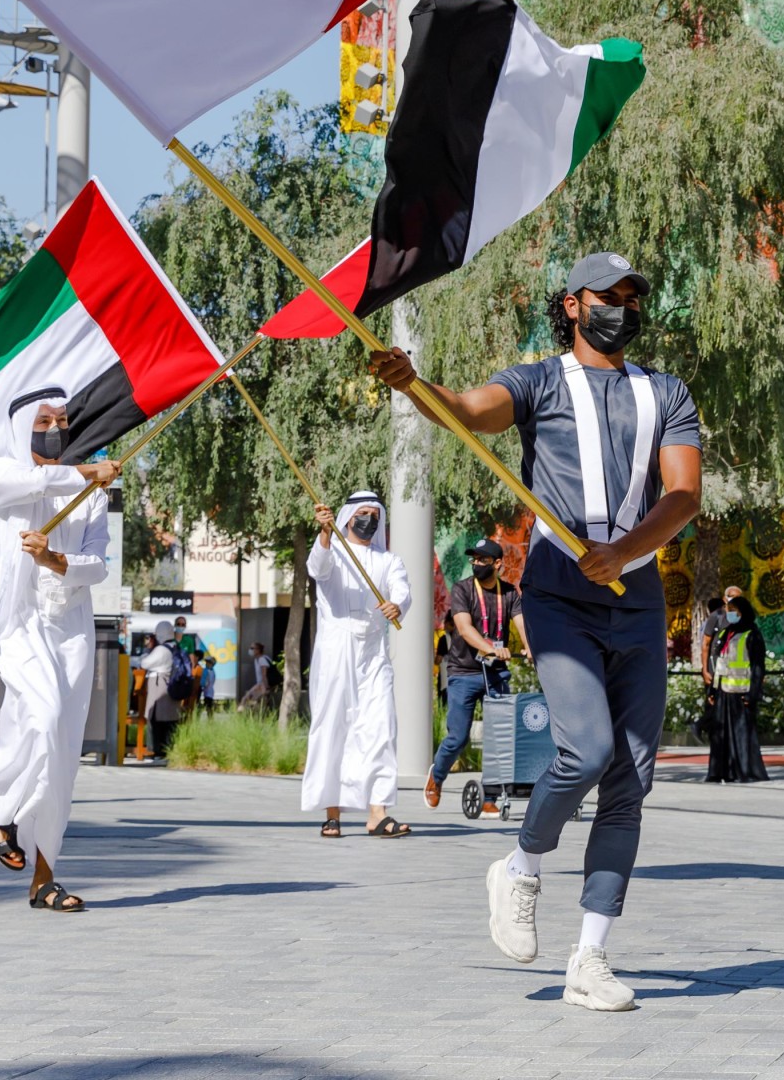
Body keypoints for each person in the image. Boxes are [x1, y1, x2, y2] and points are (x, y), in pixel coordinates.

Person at [371, 250, 702, 1013]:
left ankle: (590, 958)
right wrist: (415, 384)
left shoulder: (667, 393)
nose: (621, 306)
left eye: (631, 296)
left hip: (637, 589)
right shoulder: (540, 380)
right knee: (585, 751)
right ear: (573, 304)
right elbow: (467, 409)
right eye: (606, 295)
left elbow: (683, 494)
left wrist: (625, 551)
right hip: (558, 587)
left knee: (632, 778)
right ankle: (520, 866)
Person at [0, 387, 119, 913]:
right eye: (44, 419)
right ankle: (2, 811)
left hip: (71, 626)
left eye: (63, 419)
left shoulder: (91, 495)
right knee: (43, 713)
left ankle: (45, 878)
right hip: (18, 621)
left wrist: (55, 560)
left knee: (60, 752)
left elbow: (99, 564)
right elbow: (35, 481)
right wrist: (86, 473)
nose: (55, 427)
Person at [301, 493, 412, 839]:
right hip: (337, 650)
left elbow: (401, 590)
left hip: (374, 652)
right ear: (349, 517)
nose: (368, 519)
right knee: (334, 726)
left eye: (374, 514)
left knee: (381, 728)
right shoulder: (333, 550)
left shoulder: (389, 560)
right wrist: (323, 534)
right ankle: (332, 813)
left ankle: (378, 813)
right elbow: (316, 569)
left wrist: (397, 605)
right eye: (362, 513)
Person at [428, 539, 526, 812]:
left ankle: (490, 798)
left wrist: (531, 647)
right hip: (463, 672)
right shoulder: (462, 589)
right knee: (458, 737)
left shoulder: (509, 593)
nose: (476, 564)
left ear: (497, 564)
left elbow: (522, 623)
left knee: (500, 737)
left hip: (495, 675)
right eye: (474, 559)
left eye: (483, 560)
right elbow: (464, 627)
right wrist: (491, 649)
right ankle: (436, 778)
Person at [703, 594, 768, 783]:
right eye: (728, 611)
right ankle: (720, 771)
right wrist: (713, 691)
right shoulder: (725, 632)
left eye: (733, 611)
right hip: (724, 691)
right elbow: (719, 664)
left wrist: (753, 692)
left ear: (743, 612)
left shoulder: (752, 634)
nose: (729, 615)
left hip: (742, 693)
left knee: (741, 734)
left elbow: (758, 666)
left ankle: (743, 771)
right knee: (720, 734)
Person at [131, 620, 181, 758]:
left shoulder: (161, 650)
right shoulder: (175, 647)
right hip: (171, 686)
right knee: (169, 720)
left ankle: (157, 750)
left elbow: (144, 663)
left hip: (159, 685)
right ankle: (167, 749)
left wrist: (148, 650)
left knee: (155, 718)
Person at [240, 642, 273, 710]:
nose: (250, 650)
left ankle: (243, 711)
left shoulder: (262, 659)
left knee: (248, 699)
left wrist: (265, 687)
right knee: (250, 699)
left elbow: (264, 674)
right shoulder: (257, 660)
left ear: (258, 650)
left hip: (263, 685)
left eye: (252, 648)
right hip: (260, 684)